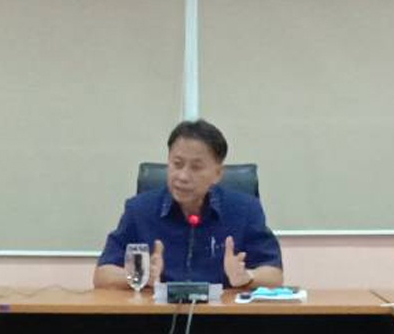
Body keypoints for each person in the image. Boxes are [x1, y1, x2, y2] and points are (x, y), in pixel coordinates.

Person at [94, 120, 282, 291]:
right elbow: (102, 275)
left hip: (223, 315)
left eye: (196, 167)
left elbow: (274, 275)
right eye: (177, 164)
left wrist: (247, 277)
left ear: (217, 173)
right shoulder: (139, 210)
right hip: (157, 314)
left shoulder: (244, 210)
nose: (183, 176)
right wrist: (138, 275)